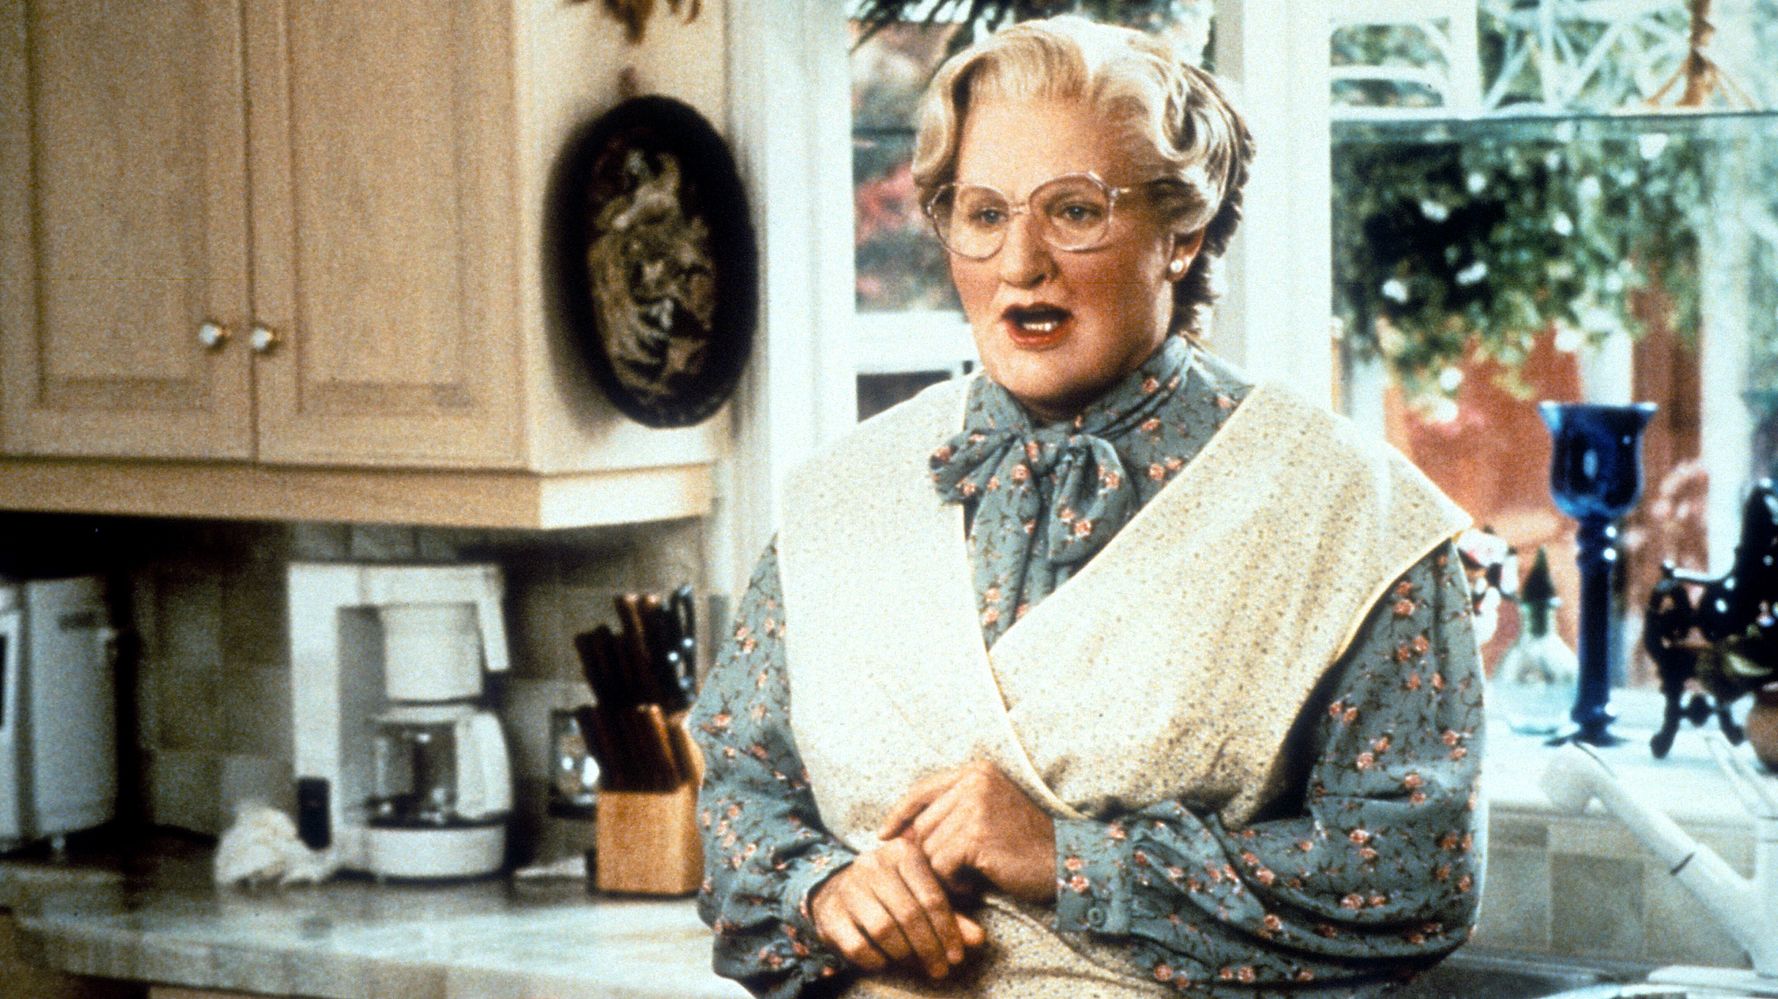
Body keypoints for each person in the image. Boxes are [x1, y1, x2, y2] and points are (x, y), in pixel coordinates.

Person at [691, 15, 1484, 998]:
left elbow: (1414, 877)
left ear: (1181, 232)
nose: (1019, 263)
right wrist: (824, 890)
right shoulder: (839, 495)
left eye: (1073, 211)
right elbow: (740, 792)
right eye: (983, 214)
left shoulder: (1350, 510)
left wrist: (1070, 858)